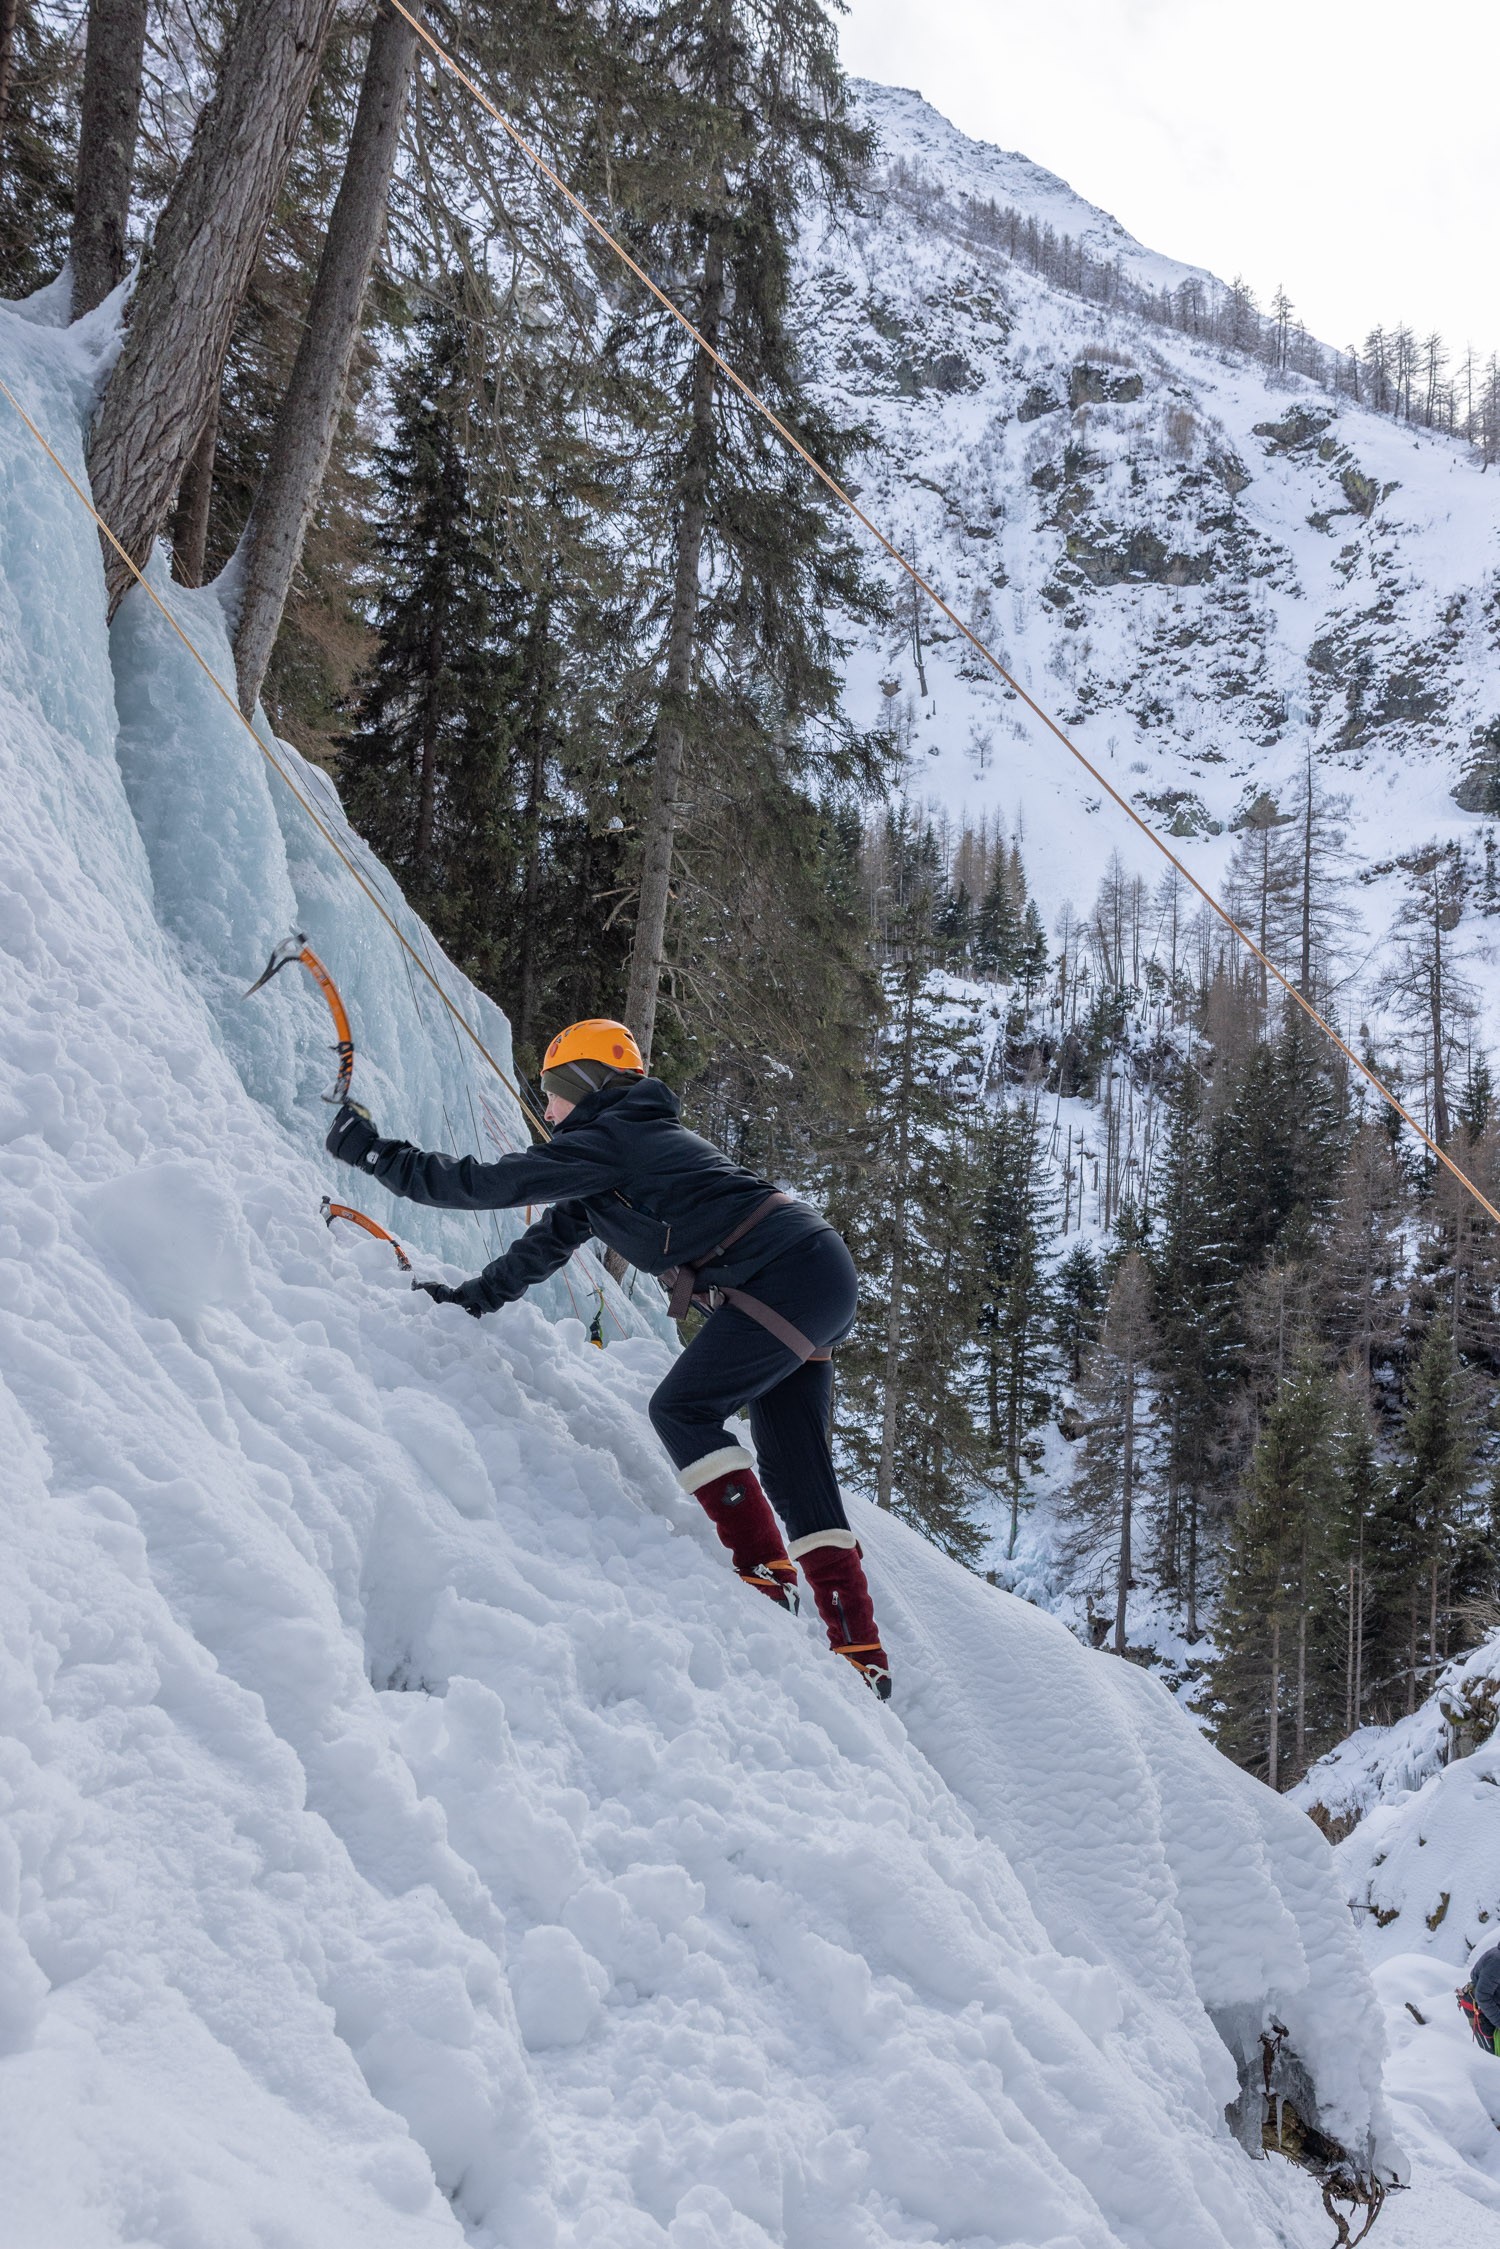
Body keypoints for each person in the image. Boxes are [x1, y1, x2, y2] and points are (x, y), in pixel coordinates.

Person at [326, 1017, 892, 1698]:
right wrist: (472, 1299)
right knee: (792, 1464)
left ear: (582, 1082)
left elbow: (487, 1183)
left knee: (683, 1408)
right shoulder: (611, 1164)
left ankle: (763, 1570)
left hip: (788, 1275)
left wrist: (376, 1154)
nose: (545, 1111)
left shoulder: (618, 1138)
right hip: (809, 1274)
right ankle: (860, 1648)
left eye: (551, 1093)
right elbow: (541, 1249)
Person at [1460, 1941, 1500, 2053]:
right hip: (1480, 2010)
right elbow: (1483, 1996)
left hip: (1492, 2006)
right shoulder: (1497, 1962)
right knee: (1493, 2056)